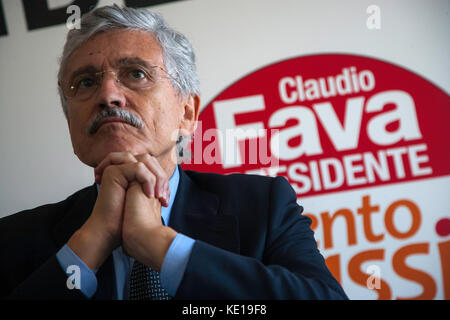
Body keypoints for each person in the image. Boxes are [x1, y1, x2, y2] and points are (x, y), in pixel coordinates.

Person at [0, 5, 347, 300]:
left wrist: (158, 244)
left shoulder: (262, 206)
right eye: (86, 83)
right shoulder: (15, 238)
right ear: (71, 124)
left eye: (135, 73)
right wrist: (88, 244)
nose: (108, 95)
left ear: (187, 114)